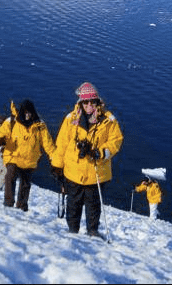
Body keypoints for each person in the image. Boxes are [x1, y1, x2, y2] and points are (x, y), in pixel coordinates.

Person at [51, 82, 123, 239]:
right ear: (80, 102)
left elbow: (116, 141)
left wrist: (100, 152)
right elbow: (62, 144)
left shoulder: (108, 120)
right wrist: (57, 166)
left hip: (96, 173)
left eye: (92, 102)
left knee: (93, 206)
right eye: (85, 102)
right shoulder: (71, 119)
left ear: (97, 101)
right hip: (73, 172)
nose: (89, 105)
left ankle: (92, 231)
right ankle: (72, 230)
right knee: (73, 204)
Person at [0, 99, 55, 212]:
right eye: (25, 112)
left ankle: (22, 206)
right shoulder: (12, 121)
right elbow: (1, 133)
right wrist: (0, 140)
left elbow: (48, 143)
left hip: (29, 160)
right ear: (22, 112)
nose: (27, 115)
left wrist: (54, 159)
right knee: (10, 176)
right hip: (13, 155)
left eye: (29, 112)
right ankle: (8, 203)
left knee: (25, 184)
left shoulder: (40, 125)